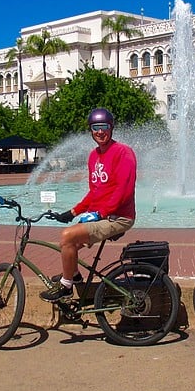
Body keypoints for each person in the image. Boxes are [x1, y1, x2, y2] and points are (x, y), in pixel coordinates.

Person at [41, 108, 137, 302]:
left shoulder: (123, 152)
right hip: (103, 215)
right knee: (69, 243)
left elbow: (123, 190)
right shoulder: (93, 156)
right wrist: (73, 211)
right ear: (91, 130)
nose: (100, 132)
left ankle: (66, 286)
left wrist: (100, 213)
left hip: (119, 217)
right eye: (95, 128)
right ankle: (74, 276)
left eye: (104, 127)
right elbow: (95, 192)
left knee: (67, 236)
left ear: (111, 128)